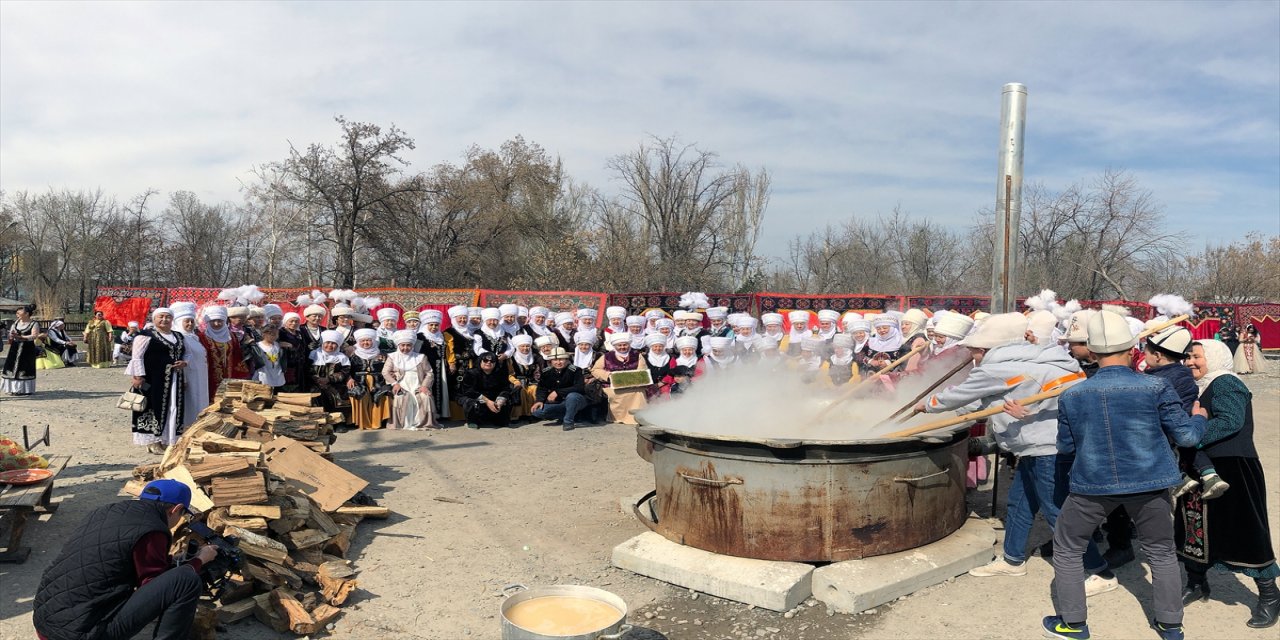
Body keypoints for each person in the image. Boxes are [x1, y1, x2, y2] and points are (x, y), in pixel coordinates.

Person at [913, 313, 1115, 595]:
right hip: (1040, 446)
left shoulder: (997, 369)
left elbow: (961, 395)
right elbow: (982, 403)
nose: (971, 355)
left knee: (1059, 514)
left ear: (985, 349)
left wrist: (927, 406)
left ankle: (1100, 571)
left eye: (973, 350)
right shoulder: (1046, 359)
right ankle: (1013, 559)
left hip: (1047, 449)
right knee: (1020, 503)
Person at [1042, 310, 1207, 640]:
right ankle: (1170, 625)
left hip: (1092, 485)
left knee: (1067, 547)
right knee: (1160, 551)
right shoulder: (1156, 386)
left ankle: (1073, 624)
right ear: (1132, 349)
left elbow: (1065, 447)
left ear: (1092, 351)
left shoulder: (1072, 394)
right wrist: (1199, 417)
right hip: (1151, 483)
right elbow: (1188, 437)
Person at [33, 479, 217, 640]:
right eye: (183, 514)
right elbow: (153, 585)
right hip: (81, 634)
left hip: (46, 623)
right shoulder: (152, 529)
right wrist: (199, 560)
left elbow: (114, 559)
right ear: (175, 509)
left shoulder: (105, 511)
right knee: (186, 580)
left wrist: (173, 562)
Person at [1178, 339, 1279, 629]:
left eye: (1196, 357)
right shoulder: (1200, 386)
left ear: (1213, 356)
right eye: (1187, 357)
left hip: (1233, 468)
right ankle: (1197, 582)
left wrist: (1190, 434)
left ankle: (1270, 596)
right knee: (1195, 528)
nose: (1189, 362)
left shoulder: (1225, 382)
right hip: (1203, 469)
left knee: (1246, 532)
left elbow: (1231, 421)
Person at [128, 308, 188, 455]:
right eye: (161, 317)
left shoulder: (178, 336)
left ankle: (167, 439)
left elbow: (186, 354)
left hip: (174, 378)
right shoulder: (145, 335)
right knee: (152, 406)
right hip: (153, 378)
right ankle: (152, 442)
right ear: (154, 319)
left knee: (171, 407)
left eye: (168, 317)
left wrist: (184, 363)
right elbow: (137, 357)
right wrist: (138, 376)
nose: (164, 320)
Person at [382, 330, 439, 430]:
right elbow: (385, 372)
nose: (405, 348)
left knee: (425, 397)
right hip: (401, 384)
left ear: (412, 345)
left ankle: (423, 423)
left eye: (408, 345)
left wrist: (424, 386)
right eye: (402, 345)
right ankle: (403, 423)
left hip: (418, 384)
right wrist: (395, 383)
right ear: (398, 345)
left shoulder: (421, 357)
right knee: (400, 398)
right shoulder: (392, 357)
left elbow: (429, 373)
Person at [591, 332, 647, 424]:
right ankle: (617, 417)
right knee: (613, 393)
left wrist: (632, 378)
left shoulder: (637, 355)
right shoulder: (607, 356)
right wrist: (608, 376)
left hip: (633, 385)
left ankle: (637, 417)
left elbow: (642, 370)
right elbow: (595, 369)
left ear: (629, 344)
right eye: (619, 345)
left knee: (639, 392)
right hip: (612, 385)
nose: (622, 347)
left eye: (625, 345)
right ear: (615, 346)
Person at [171, 302, 209, 427]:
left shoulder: (194, 337)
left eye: (192, 321)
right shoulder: (178, 338)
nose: (190, 324)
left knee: (200, 401)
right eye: (186, 321)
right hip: (188, 377)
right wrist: (184, 378)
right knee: (189, 403)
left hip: (200, 377)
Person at [532, 347, 589, 430]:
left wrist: (558, 392)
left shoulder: (575, 370)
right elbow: (542, 388)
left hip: (576, 400)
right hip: (559, 403)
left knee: (572, 396)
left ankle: (568, 421)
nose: (558, 362)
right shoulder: (546, 372)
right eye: (555, 360)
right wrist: (539, 400)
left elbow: (579, 387)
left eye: (561, 359)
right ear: (550, 361)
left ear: (566, 360)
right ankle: (570, 415)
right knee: (537, 412)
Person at [199, 306, 248, 399]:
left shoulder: (231, 336)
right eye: (213, 321)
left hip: (229, 375)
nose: (217, 324)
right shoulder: (201, 337)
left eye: (220, 321)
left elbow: (237, 355)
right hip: (209, 376)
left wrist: (241, 374)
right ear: (208, 322)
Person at [348, 328, 391, 430]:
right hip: (359, 381)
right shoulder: (353, 354)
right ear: (359, 342)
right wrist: (349, 378)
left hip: (378, 380)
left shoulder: (382, 354)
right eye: (363, 341)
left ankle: (378, 422)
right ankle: (364, 423)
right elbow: (347, 369)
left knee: (382, 394)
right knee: (361, 395)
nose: (366, 343)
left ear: (373, 341)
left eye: (368, 340)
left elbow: (389, 367)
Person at [458, 353, 515, 428]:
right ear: (480, 361)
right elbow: (468, 391)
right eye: (485, 360)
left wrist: (500, 400)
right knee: (470, 402)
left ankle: (498, 420)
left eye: (492, 361)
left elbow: (506, 388)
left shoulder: (500, 373)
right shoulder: (471, 373)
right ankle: (472, 421)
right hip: (475, 396)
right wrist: (487, 401)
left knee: (507, 399)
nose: (488, 362)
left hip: (493, 397)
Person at [417, 310, 451, 420]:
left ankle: (441, 413)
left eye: (436, 325)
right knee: (429, 388)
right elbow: (417, 353)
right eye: (431, 325)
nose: (433, 327)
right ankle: (429, 414)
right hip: (427, 367)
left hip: (441, 368)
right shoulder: (420, 337)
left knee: (441, 389)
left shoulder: (441, 336)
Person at [310, 330, 352, 419]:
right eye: (327, 342)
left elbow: (344, 372)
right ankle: (319, 420)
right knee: (315, 394)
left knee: (340, 394)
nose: (330, 345)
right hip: (315, 383)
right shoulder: (314, 354)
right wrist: (318, 380)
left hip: (335, 384)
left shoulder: (342, 357)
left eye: (333, 343)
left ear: (338, 345)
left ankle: (339, 421)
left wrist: (328, 379)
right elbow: (308, 369)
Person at [2, 304, 40, 396]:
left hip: (27, 348)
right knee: (11, 366)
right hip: (15, 348)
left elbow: (34, 336)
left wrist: (22, 337)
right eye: (17, 312)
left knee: (24, 367)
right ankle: (12, 388)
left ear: (26, 313)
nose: (17, 313)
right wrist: (11, 336)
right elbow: (10, 334)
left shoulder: (34, 324)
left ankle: (23, 390)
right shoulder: (16, 323)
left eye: (20, 312)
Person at [507, 334, 540, 420]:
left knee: (535, 388)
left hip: (531, 381)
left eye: (527, 346)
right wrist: (515, 381)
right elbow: (510, 374)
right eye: (522, 346)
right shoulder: (512, 359)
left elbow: (536, 371)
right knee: (520, 391)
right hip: (516, 382)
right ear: (517, 347)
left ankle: (533, 413)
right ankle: (516, 415)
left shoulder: (534, 357)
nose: (525, 348)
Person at [247, 325, 286, 390]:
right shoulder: (258, 346)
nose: (275, 336)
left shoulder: (278, 345)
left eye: (276, 334)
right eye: (272, 334)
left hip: (277, 374)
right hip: (264, 373)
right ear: (264, 334)